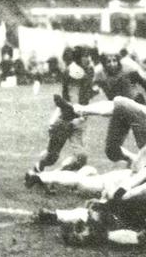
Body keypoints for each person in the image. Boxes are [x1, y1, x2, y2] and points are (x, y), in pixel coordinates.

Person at [26, 46, 96, 181]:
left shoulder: (87, 70)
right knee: (52, 157)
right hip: (66, 119)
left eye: (89, 55)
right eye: (85, 56)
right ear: (78, 57)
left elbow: (84, 94)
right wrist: (77, 109)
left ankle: (58, 174)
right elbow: (69, 98)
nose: (88, 59)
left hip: (78, 118)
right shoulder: (74, 71)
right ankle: (36, 169)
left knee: (82, 157)